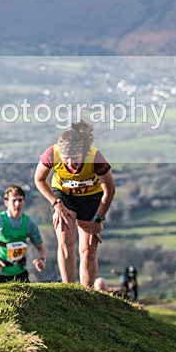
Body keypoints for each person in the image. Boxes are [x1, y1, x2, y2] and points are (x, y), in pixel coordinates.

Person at [34, 120, 115, 288]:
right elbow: (39, 179)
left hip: (92, 197)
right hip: (63, 195)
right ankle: (69, 289)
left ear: (84, 153)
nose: (71, 165)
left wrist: (98, 220)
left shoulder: (95, 158)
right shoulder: (52, 153)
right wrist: (56, 203)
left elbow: (109, 192)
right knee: (64, 239)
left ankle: (87, 293)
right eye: (66, 160)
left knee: (88, 250)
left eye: (75, 159)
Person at [0, 185, 47, 284]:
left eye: (20, 200)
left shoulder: (30, 223)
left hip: (21, 273)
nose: (17, 204)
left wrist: (42, 259)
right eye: (14, 200)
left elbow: (41, 248)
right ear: (6, 202)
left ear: (24, 201)